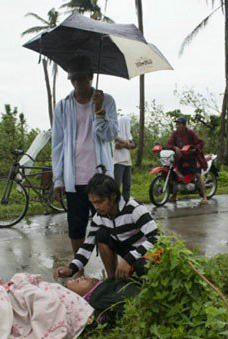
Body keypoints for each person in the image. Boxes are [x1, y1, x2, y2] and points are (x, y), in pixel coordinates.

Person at [52, 55, 118, 266]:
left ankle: (111, 273)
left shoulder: (106, 100)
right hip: (75, 177)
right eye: (73, 79)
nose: (78, 84)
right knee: (76, 227)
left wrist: (99, 111)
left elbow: (109, 135)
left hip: (101, 176)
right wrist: (58, 179)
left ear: (91, 77)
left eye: (82, 79)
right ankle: (78, 272)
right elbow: (58, 144)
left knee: (107, 226)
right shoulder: (63, 106)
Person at [54, 171, 159, 281]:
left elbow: (156, 238)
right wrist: (71, 269)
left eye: (99, 202)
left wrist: (129, 259)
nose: (96, 207)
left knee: (141, 267)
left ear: (113, 197)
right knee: (101, 235)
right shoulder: (99, 217)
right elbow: (87, 246)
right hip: (127, 250)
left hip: (147, 252)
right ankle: (112, 280)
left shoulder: (134, 209)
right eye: (92, 202)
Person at [165, 117, 209, 204]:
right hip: (180, 158)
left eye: (179, 124)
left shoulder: (190, 133)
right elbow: (168, 144)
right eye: (176, 124)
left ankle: (204, 197)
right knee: (175, 174)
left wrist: (193, 149)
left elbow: (200, 143)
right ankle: (174, 195)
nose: (177, 126)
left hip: (192, 158)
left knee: (198, 174)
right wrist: (174, 147)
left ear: (184, 125)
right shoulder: (175, 134)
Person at [113, 114, 136, 201]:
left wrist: (125, 143)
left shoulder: (128, 134)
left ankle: (126, 202)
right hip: (118, 162)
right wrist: (127, 144)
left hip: (127, 162)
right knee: (116, 185)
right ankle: (115, 203)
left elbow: (133, 145)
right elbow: (117, 146)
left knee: (127, 184)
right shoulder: (116, 133)